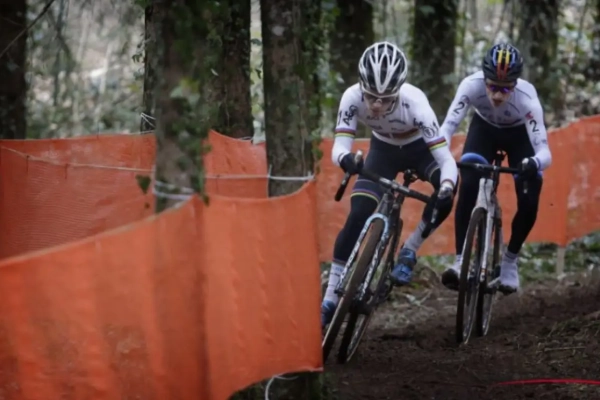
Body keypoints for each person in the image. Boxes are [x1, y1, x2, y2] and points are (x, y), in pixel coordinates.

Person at [321, 41, 459, 328]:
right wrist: (346, 159)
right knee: (358, 213)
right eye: (371, 96)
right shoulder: (351, 97)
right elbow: (340, 146)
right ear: (362, 86)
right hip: (382, 151)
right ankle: (330, 297)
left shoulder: (416, 104)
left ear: (399, 90)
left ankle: (410, 249)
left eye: (386, 99)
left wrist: (446, 186)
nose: (376, 105)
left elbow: (446, 161)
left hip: (420, 151)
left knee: (447, 192)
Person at [438, 43, 552, 294]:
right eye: (492, 87)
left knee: (530, 196)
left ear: (516, 84)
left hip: (519, 136)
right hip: (484, 131)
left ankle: (509, 262)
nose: (498, 95)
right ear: (483, 80)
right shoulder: (470, 85)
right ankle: (460, 261)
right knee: (468, 183)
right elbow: (447, 128)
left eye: (506, 88)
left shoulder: (527, 99)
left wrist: (533, 163)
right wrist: (439, 152)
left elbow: (545, 153)